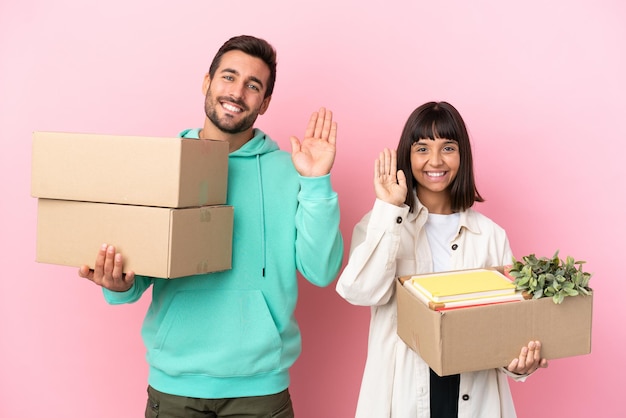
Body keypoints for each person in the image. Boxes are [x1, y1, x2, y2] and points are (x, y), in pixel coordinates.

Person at [78, 35, 344, 418]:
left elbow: (321, 271)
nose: (237, 92)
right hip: (174, 386)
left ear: (265, 102)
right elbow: (135, 278)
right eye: (228, 77)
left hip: (262, 389)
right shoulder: (162, 164)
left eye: (253, 86)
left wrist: (316, 181)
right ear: (207, 81)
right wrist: (119, 285)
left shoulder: (292, 171)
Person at [336, 101, 548, 418]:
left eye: (448, 147)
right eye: (422, 148)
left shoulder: (491, 235)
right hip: (402, 396)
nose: (435, 161)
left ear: (462, 155)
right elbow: (360, 292)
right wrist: (390, 209)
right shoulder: (380, 222)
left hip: (474, 395)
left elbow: (507, 328)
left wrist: (518, 363)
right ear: (406, 156)